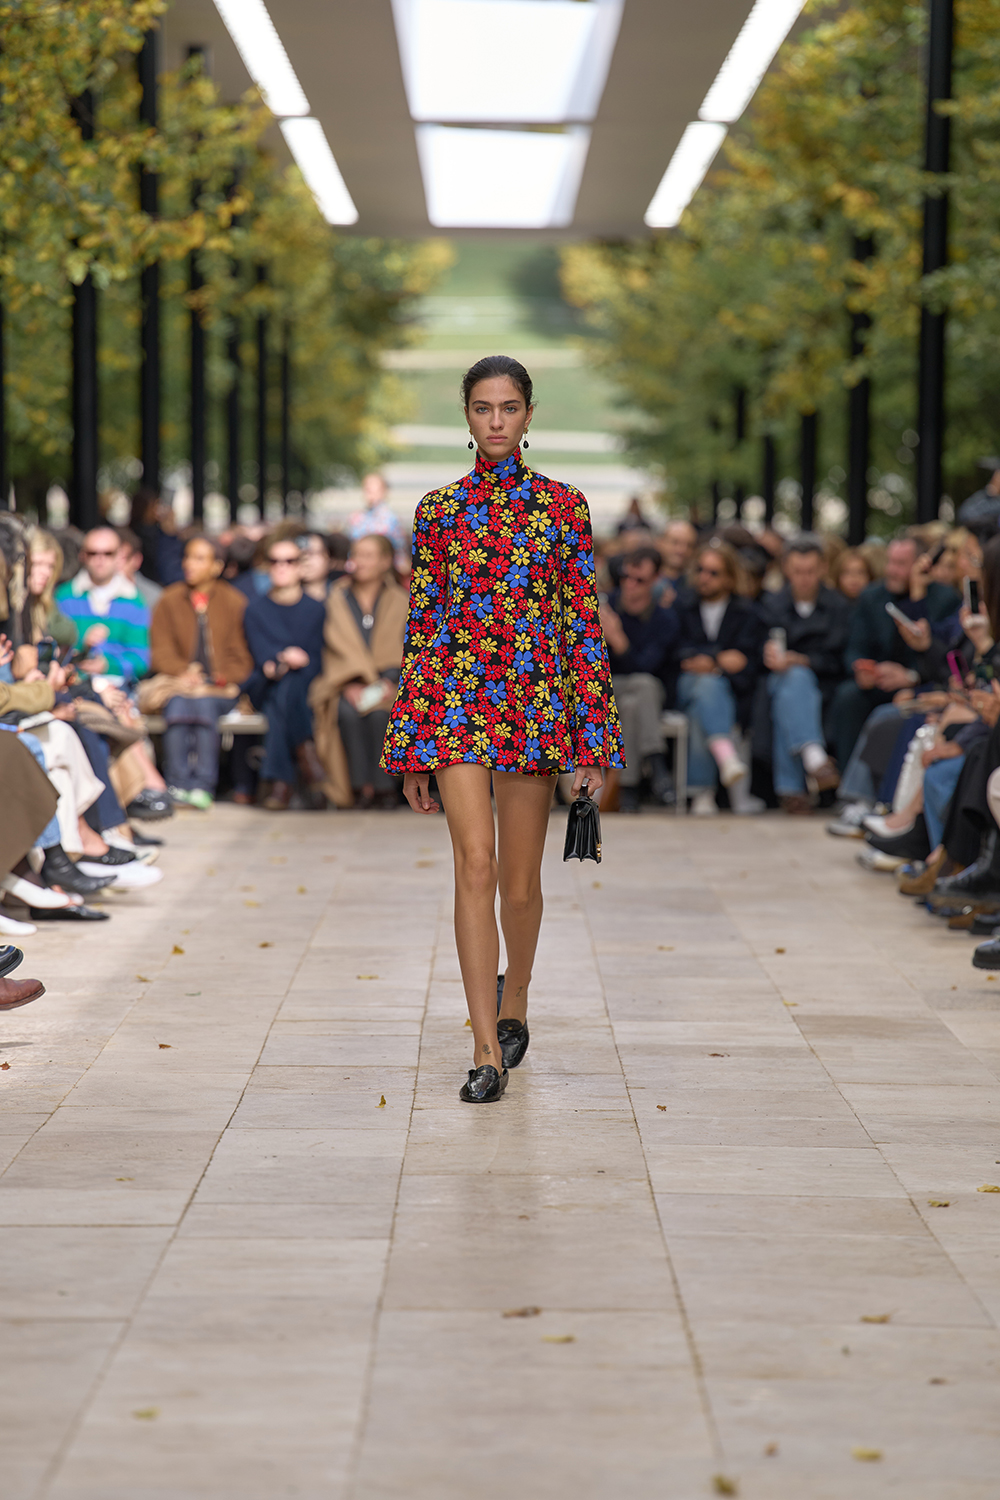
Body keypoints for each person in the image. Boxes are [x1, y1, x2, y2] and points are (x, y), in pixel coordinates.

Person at [381, 354, 624, 1104]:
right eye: (483, 408)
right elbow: (424, 629)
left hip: (532, 704)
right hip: (455, 705)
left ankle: (514, 997)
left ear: (528, 414)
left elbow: (582, 624)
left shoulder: (564, 508)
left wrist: (593, 740)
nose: (495, 421)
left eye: (508, 407)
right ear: (466, 414)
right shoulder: (438, 511)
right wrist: (411, 746)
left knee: (520, 887)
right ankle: (484, 1047)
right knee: (474, 868)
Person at [830, 535, 960, 768]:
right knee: (848, 697)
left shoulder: (945, 599)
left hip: (922, 684)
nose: (891, 570)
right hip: (878, 682)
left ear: (921, 565)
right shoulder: (872, 596)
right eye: (890, 562)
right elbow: (855, 647)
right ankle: (846, 776)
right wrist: (864, 669)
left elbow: (941, 657)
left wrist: (911, 676)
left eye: (900, 564)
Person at [147, 536, 253, 808]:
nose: (189, 564)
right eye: (187, 557)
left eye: (199, 558)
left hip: (220, 688)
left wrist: (217, 680)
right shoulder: (169, 600)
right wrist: (182, 672)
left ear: (217, 566)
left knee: (204, 705)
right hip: (179, 684)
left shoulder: (234, 602)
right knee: (179, 704)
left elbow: (242, 657)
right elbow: (160, 650)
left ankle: (202, 785)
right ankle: (178, 783)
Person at [310, 534, 407, 808]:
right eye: (356, 555)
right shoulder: (337, 597)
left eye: (367, 555)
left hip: (391, 684)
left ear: (385, 561)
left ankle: (385, 788)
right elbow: (334, 646)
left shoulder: (401, 599)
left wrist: (388, 681)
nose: (359, 561)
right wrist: (350, 682)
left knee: (380, 716)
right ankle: (357, 787)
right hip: (343, 682)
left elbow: (402, 647)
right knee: (345, 713)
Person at [673, 540, 764, 816]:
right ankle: (726, 757)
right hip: (685, 685)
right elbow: (676, 651)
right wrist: (719, 660)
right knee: (706, 687)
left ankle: (702, 793)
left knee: (704, 702)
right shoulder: (682, 605)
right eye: (701, 570)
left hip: (730, 691)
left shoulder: (746, 612)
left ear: (729, 578)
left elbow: (747, 661)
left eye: (713, 573)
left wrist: (709, 662)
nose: (704, 577)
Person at [759, 538, 848, 813]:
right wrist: (768, 655)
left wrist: (804, 661)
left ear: (822, 568)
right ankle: (814, 757)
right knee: (791, 683)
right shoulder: (771, 604)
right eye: (798, 571)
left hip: (824, 681)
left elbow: (840, 656)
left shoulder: (838, 606)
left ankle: (791, 788)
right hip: (778, 679)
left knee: (791, 690)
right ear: (787, 569)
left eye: (810, 571)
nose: (804, 578)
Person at [243, 537, 326, 811]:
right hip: (266, 685)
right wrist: (282, 659)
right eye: (275, 561)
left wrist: (293, 660)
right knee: (284, 686)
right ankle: (305, 752)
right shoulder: (256, 609)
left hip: (304, 686)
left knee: (285, 693)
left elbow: (317, 659)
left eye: (289, 561)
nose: (281, 567)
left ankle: (280, 782)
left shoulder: (316, 609)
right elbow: (261, 657)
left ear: (300, 566)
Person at [600, 545, 679, 812]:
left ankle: (629, 788)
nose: (629, 585)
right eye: (625, 577)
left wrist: (619, 641)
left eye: (639, 580)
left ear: (655, 580)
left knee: (636, 697)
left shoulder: (664, 618)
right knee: (641, 687)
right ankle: (656, 763)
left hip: (649, 695)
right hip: (607, 691)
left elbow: (647, 666)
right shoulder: (605, 607)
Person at [55, 525, 150, 684]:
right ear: (82, 555)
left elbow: (141, 661)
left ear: (119, 556)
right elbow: (54, 653)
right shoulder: (64, 597)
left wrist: (107, 666)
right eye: (93, 553)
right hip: (73, 684)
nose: (100, 559)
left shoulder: (135, 601)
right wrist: (82, 645)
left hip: (121, 686)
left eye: (108, 553)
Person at [20, 530, 77, 649]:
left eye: (50, 566)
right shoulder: (12, 607)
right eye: (38, 564)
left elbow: (69, 633)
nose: (46, 573)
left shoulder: (42, 603)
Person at [348, 472, 405, 553]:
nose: (370, 494)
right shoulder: (357, 517)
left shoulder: (391, 518)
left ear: (384, 491)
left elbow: (398, 549)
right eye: (367, 489)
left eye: (374, 490)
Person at [116, 526, 163, 611]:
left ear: (137, 560)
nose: (116, 566)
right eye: (111, 559)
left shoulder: (155, 598)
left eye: (123, 559)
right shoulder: (91, 594)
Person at [656, 519, 698, 607]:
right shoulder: (641, 579)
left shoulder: (697, 586)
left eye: (689, 545)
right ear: (660, 543)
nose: (682, 550)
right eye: (675, 543)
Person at [299, 533, 334, 602]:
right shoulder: (284, 599)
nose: (305, 559)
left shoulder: (342, 595)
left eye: (311, 553)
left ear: (328, 558)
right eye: (301, 554)